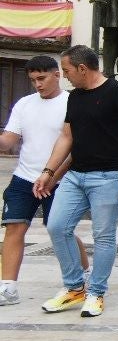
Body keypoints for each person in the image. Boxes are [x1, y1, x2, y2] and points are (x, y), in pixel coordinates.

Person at [34, 46, 118, 318]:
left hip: (109, 177)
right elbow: (66, 137)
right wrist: (49, 173)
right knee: (57, 226)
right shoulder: (75, 97)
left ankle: (96, 292)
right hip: (75, 176)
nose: (65, 77)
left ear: (83, 68)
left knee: (104, 236)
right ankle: (74, 288)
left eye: (67, 71)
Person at [0, 56, 88, 306]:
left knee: (60, 229)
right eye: (33, 80)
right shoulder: (24, 104)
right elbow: (8, 141)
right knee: (14, 227)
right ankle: (8, 288)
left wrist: (52, 177)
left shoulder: (73, 102)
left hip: (60, 180)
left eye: (42, 78)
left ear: (57, 74)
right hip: (24, 177)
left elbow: (75, 149)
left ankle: (84, 274)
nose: (37, 84)